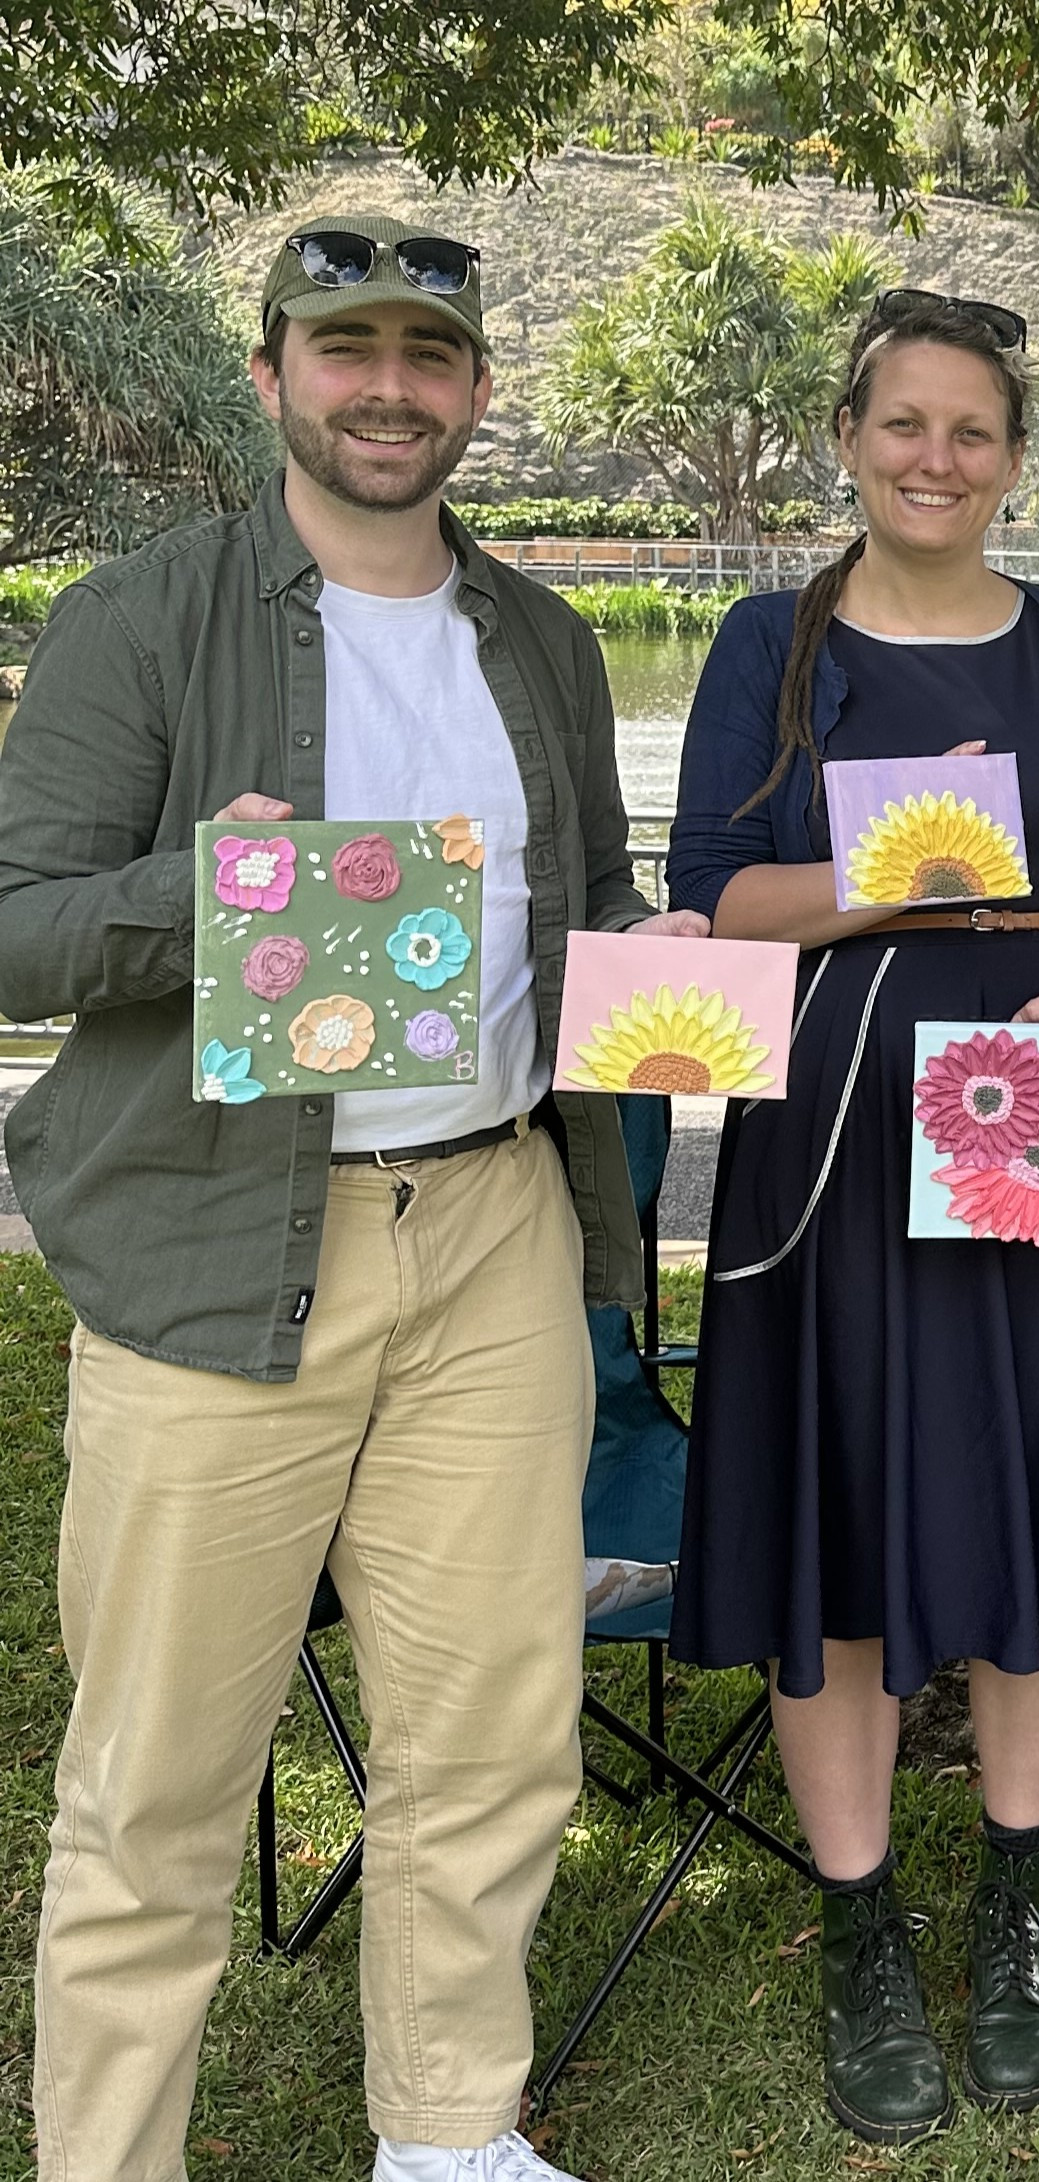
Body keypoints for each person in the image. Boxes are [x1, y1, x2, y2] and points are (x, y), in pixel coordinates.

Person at [0, 218, 703, 2182]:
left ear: (473, 390)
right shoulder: (143, 618)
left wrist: (656, 963)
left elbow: (581, 912)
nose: (389, 387)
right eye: (347, 348)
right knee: (157, 1780)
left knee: (492, 1734)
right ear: (273, 375)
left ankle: (450, 2133)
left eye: (430, 354)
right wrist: (195, 891)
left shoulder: (543, 641)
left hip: (493, 1226)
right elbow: (17, 928)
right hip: (224, 1237)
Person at [664, 289, 1039, 2146]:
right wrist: (908, 871)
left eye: (973, 430)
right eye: (904, 423)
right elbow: (713, 893)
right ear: (849, 437)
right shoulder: (772, 643)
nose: (936, 458)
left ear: (1014, 460)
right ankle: (862, 1928)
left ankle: (1019, 1908)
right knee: (850, 1494)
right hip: (834, 1118)